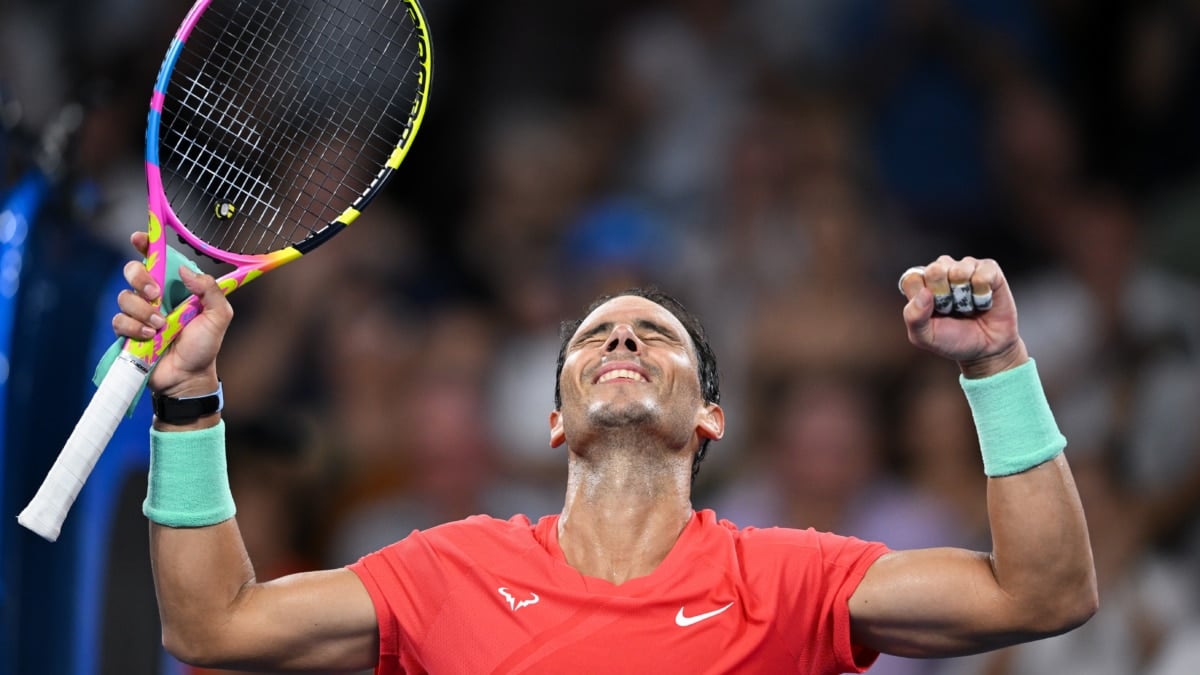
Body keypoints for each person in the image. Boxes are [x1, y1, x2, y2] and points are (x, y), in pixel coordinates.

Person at [111, 236, 1097, 673]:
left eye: (653, 334)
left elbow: (1044, 595)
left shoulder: (789, 579)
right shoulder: (446, 572)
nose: (621, 340)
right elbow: (212, 628)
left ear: (710, 418)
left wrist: (999, 364)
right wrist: (190, 394)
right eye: (594, 337)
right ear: (554, 424)